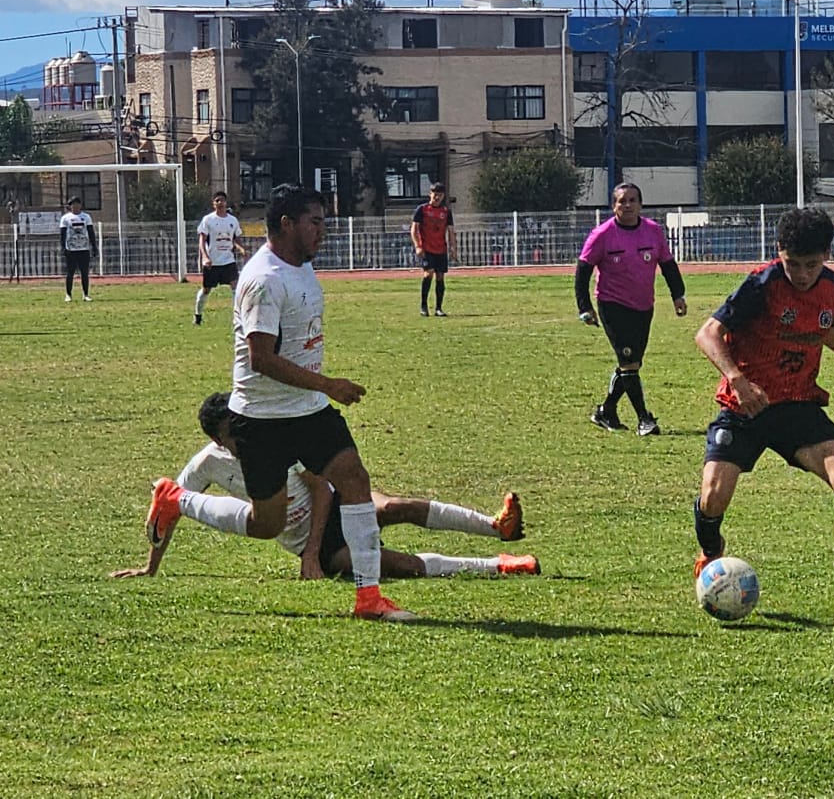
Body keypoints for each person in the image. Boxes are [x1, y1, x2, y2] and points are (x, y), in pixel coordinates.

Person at [150, 182, 413, 621]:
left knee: (354, 479)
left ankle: (369, 598)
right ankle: (178, 500)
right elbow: (260, 359)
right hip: (262, 418)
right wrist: (329, 384)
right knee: (265, 524)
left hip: (308, 410)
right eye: (315, 222)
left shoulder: (301, 266)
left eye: (324, 222)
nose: (322, 231)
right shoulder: (263, 280)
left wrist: (319, 391)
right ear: (286, 224)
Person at [692, 207, 834, 614]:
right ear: (779, 252)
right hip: (745, 408)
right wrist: (738, 379)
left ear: (828, 253)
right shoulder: (762, 284)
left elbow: (823, 329)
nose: (803, 274)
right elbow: (707, 334)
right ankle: (710, 548)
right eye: (793, 264)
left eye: (812, 264)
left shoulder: (832, 287)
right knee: (713, 497)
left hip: (798, 405)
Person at [115, 392, 535, 581]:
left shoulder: (267, 441)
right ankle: (498, 563)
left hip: (328, 513)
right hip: (313, 543)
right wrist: (151, 567)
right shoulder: (207, 463)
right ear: (216, 439)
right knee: (395, 565)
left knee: (395, 507)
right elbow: (169, 506)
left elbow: (319, 489)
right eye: (233, 431)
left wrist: (310, 554)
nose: (243, 434)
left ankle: (494, 526)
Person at [574, 182, 687, 436]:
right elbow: (582, 272)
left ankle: (606, 410)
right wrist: (585, 308)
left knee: (633, 363)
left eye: (632, 200)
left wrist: (678, 295)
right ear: (613, 205)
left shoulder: (653, 232)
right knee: (628, 361)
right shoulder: (601, 235)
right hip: (612, 305)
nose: (627, 205)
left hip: (644, 306)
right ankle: (644, 419)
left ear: (641, 204)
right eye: (622, 201)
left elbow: (668, 264)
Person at [194, 190, 247, 325]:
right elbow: (202, 240)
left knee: (235, 286)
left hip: (228, 260)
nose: (220, 203)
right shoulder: (208, 220)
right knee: (206, 290)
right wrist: (205, 257)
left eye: (222, 200)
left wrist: (241, 249)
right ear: (213, 204)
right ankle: (198, 316)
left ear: (226, 202)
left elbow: (235, 238)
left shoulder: (232, 220)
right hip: (212, 262)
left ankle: (238, 318)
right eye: (217, 200)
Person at [410, 181, 456, 317]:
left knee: (440, 277)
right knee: (428, 273)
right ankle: (424, 306)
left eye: (440, 195)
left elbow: (451, 231)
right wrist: (418, 246)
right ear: (430, 194)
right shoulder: (422, 209)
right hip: (427, 248)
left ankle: (438, 308)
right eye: (435, 194)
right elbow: (414, 229)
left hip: (441, 249)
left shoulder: (446, 212)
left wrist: (454, 248)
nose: (437, 198)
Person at [59, 195, 96, 302]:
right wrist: (63, 247)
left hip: (84, 248)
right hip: (71, 249)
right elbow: (63, 234)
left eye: (77, 204)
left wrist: (94, 246)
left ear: (80, 205)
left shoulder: (86, 217)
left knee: (84, 273)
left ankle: (86, 294)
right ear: (70, 206)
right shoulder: (65, 218)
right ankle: (68, 294)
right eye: (73, 205)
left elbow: (90, 232)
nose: (75, 207)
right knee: (70, 273)